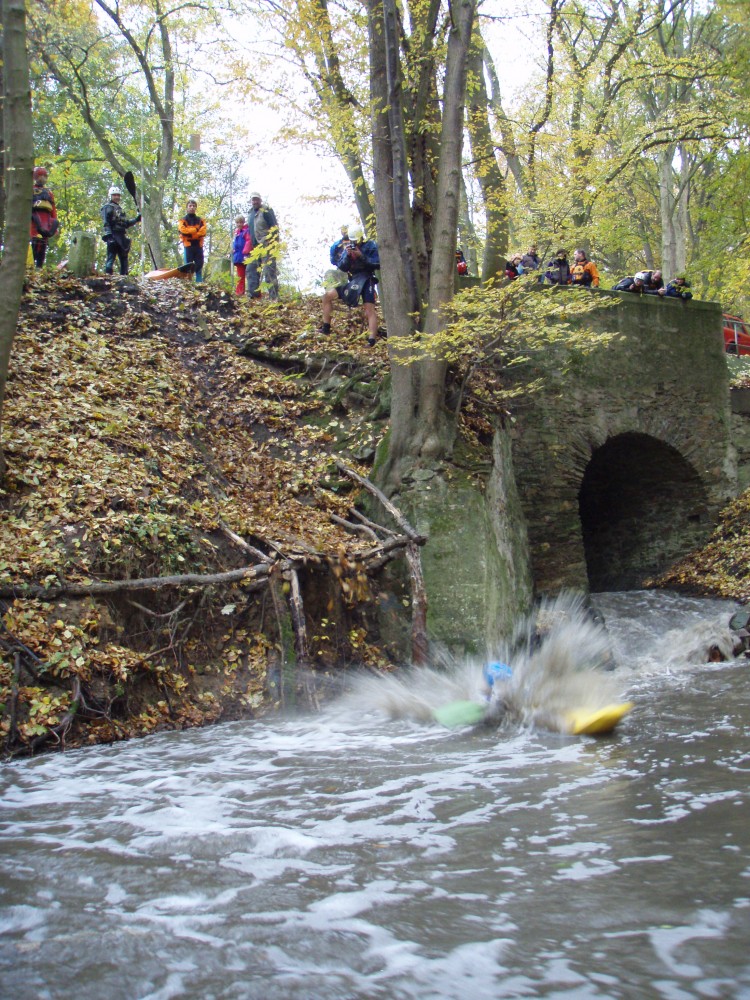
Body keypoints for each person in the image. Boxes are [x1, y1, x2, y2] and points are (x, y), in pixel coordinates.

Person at [320, 227, 383, 346]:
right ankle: (326, 328)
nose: (355, 243)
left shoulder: (370, 245)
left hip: (367, 279)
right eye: (353, 240)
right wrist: (348, 256)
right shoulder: (348, 247)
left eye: (356, 240)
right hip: (353, 280)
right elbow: (342, 267)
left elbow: (377, 263)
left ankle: (371, 340)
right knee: (326, 297)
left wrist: (361, 256)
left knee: (369, 309)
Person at [101, 185, 141, 275]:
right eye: (114, 195)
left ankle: (124, 277)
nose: (116, 197)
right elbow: (106, 222)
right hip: (113, 234)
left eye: (118, 195)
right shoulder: (107, 207)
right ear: (110, 196)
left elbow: (125, 223)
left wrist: (136, 219)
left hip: (121, 236)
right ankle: (108, 276)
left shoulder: (119, 209)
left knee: (124, 257)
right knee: (111, 257)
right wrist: (109, 235)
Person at [246, 192, 279, 300]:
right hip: (254, 247)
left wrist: (273, 244)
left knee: (269, 271)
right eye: (253, 200)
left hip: (267, 245)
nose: (255, 202)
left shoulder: (266, 210)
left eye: (257, 199)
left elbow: (274, 228)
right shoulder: (250, 213)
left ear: (260, 200)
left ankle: (274, 298)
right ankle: (253, 297)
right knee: (251, 269)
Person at [30, 166, 59, 269]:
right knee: (35, 241)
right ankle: (30, 266)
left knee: (43, 243)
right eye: (40, 176)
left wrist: (55, 227)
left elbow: (53, 209)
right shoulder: (30, 190)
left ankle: (39, 267)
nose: (42, 178)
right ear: (35, 177)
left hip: (46, 220)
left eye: (44, 176)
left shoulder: (49, 192)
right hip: (34, 219)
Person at [178, 198, 207, 283]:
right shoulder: (182, 220)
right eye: (190, 206)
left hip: (198, 246)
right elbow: (183, 231)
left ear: (196, 208)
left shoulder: (201, 220)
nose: (192, 207)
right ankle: (189, 284)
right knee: (188, 266)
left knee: (199, 266)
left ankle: (199, 284)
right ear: (187, 207)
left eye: (193, 206)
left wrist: (190, 233)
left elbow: (203, 232)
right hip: (188, 246)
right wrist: (195, 230)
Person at [232, 216, 253, 295]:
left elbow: (248, 242)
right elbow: (235, 244)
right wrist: (232, 252)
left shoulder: (246, 231)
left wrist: (246, 253)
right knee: (240, 276)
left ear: (243, 222)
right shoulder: (236, 233)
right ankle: (239, 292)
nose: (239, 224)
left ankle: (252, 293)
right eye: (237, 223)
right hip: (238, 257)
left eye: (241, 222)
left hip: (245, 256)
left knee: (250, 275)